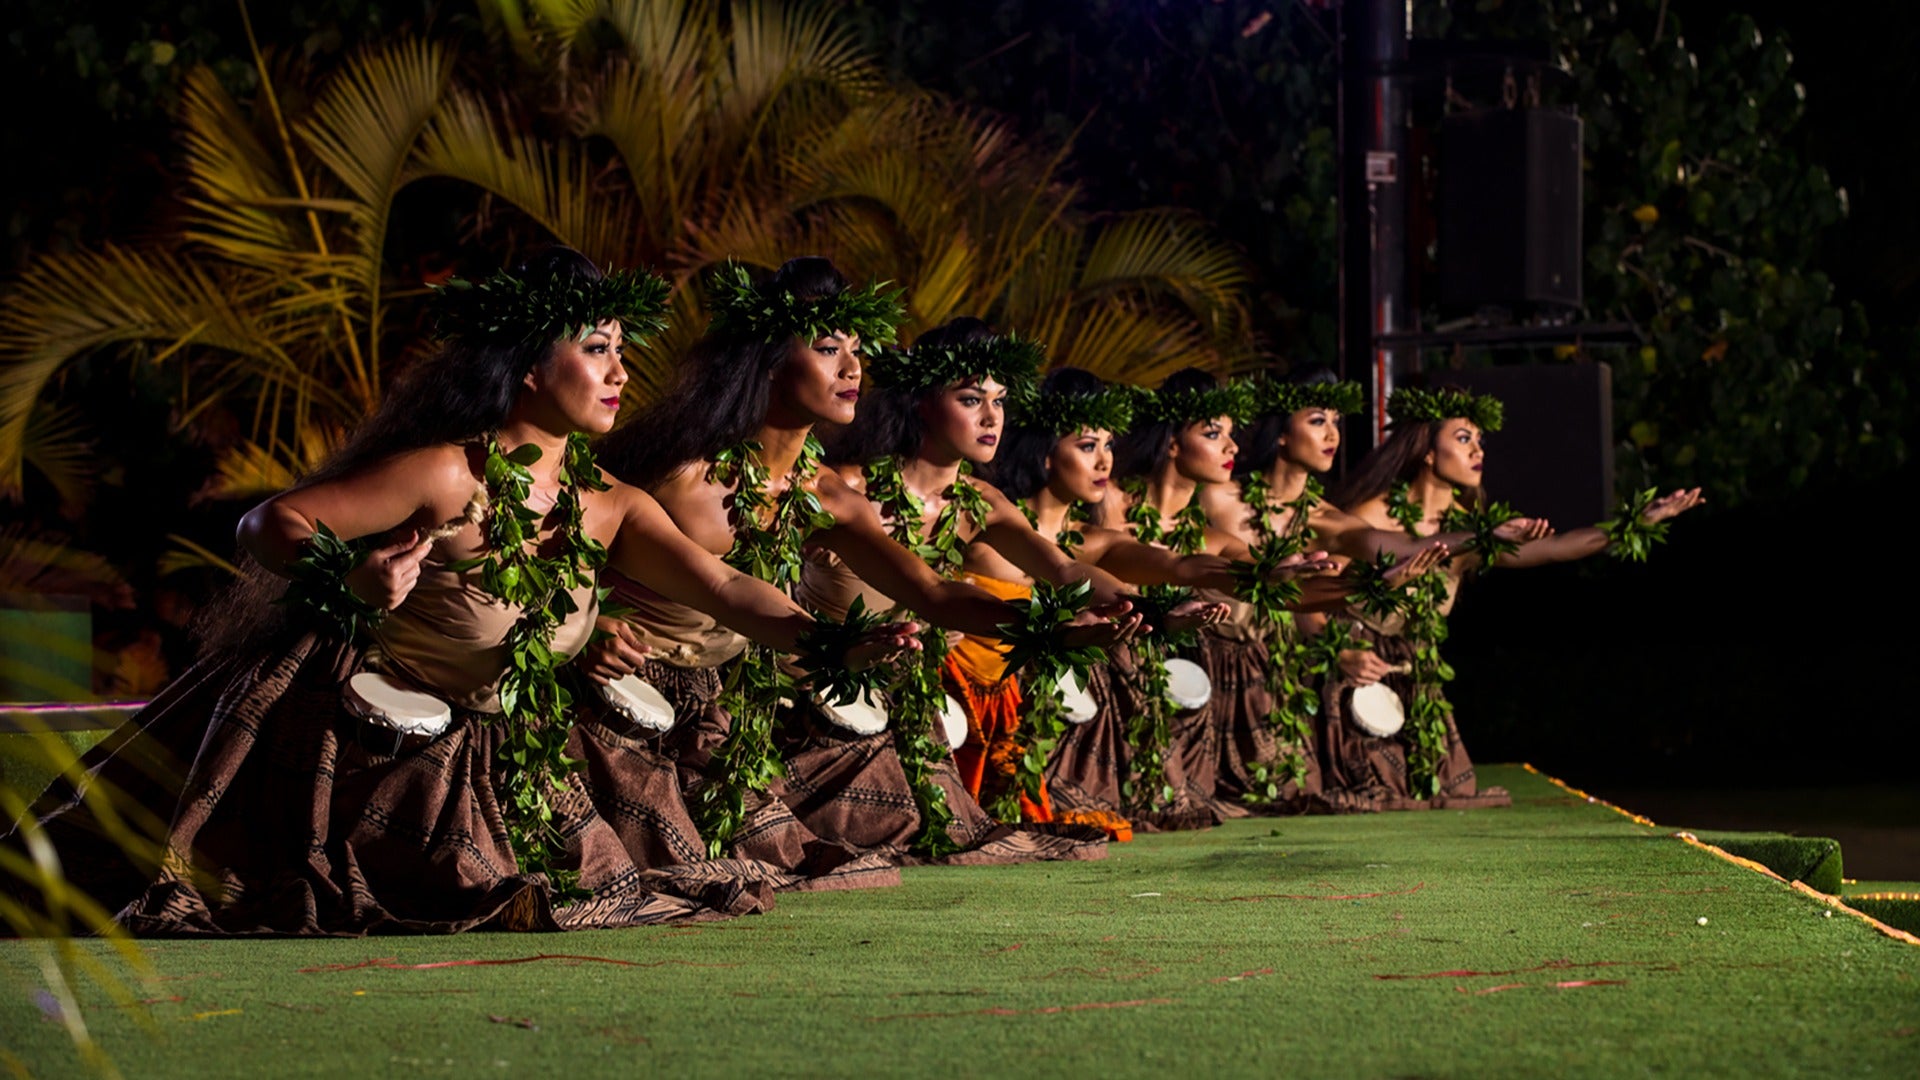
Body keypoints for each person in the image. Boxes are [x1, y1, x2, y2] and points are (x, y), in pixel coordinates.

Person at [17, 248, 914, 934]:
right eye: (593, 349)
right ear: (528, 368)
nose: (617, 372)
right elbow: (268, 525)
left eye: (621, 352)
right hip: (354, 729)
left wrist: (831, 646)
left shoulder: (612, 505)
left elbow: (725, 588)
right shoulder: (450, 474)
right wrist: (352, 576)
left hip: (504, 743)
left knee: (634, 880)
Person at [591, 261, 1135, 871]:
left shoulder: (827, 498)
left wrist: (1043, 628)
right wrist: (593, 624)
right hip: (607, 691)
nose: (853, 368)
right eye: (828, 348)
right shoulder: (679, 472)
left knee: (794, 856)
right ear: (769, 360)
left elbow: (931, 591)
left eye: (856, 350)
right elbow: (565, 561)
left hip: (717, 705)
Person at [1318, 385, 1703, 810]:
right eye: (1463, 439)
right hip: (1350, 670)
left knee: (1448, 792)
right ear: (1428, 452)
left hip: (1416, 674)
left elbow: (1555, 547)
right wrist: (1341, 654)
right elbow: (1309, 596)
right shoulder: (1370, 515)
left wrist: (1635, 523)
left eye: (1480, 440)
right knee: (1370, 794)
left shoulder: (1473, 529)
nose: (1477, 449)